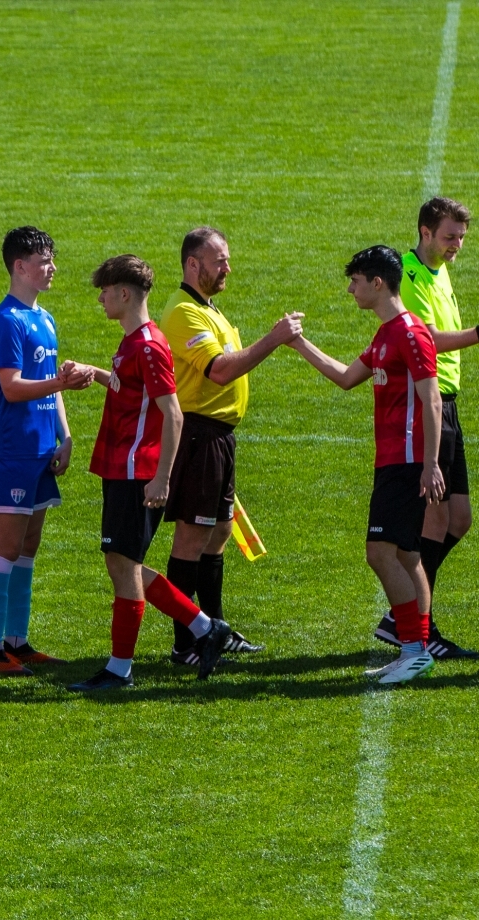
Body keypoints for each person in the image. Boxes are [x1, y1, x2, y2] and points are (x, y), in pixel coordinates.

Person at [63, 254, 232, 689]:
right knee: (125, 563)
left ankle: (120, 669)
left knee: (123, 565)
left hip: (136, 472)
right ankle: (205, 628)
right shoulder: (133, 342)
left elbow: (172, 414)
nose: (100, 299)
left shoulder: (148, 346)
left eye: (105, 291)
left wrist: (162, 478)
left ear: (124, 294)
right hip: (121, 468)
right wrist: (96, 373)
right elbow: (133, 389)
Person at [289, 246, 445, 685]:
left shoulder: (410, 333)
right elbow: (345, 378)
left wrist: (430, 463)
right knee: (407, 555)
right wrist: (298, 343)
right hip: (394, 460)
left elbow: (432, 398)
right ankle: (417, 648)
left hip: (408, 461)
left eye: (355, 281)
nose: (350, 289)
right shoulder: (385, 334)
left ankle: (413, 650)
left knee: (379, 553)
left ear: (378, 283)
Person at [159, 227, 302, 663]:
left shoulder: (209, 310)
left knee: (219, 531)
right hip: (199, 436)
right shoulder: (183, 312)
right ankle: (186, 643)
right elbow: (219, 371)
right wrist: (274, 339)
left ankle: (214, 630)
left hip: (219, 438)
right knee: (191, 537)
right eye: (219, 260)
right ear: (192, 264)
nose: (227, 268)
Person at [390, 196, 479, 657]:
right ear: (425, 232)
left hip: (448, 401)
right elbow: (425, 340)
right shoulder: (408, 275)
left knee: (459, 518)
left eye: (462, 237)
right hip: (427, 403)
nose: (457, 245)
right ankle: (415, 624)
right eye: (450, 237)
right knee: (435, 518)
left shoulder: (439, 269)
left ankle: (404, 615)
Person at [0, 226, 84, 673]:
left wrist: (66, 435)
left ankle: (16, 641)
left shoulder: (45, 318)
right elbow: (12, 386)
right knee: (6, 544)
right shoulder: (8, 321)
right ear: (20, 267)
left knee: (29, 544)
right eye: (44, 261)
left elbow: (51, 387)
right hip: (13, 447)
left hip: (43, 447)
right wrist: (60, 382)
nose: (52, 267)